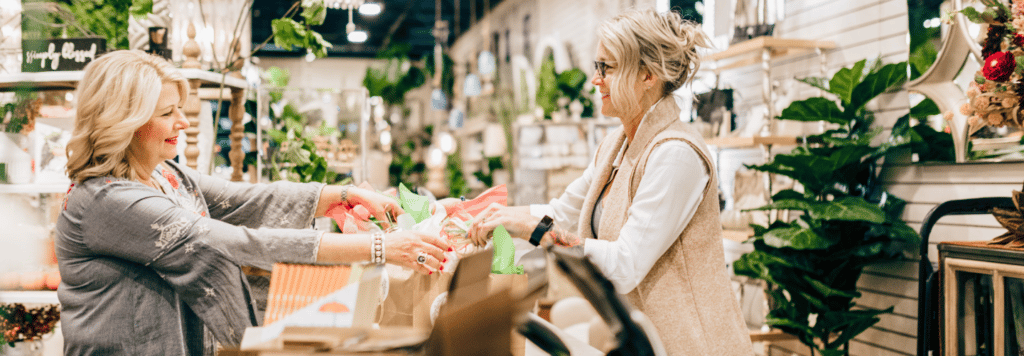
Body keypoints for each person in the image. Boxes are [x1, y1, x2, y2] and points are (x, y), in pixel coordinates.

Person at [55, 50, 449, 355]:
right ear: (125, 120)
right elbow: (233, 242)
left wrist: (339, 196)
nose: (184, 121)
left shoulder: (165, 175)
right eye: (167, 112)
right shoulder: (106, 201)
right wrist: (380, 248)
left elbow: (246, 200)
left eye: (180, 108)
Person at [465, 9, 753, 355]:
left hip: (690, 344)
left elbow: (626, 265)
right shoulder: (616, 146)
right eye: (596, 66)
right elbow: (563, 212)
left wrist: (536, 230)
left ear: (647, 74)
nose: (595, 80)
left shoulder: (676, 154)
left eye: (607, 68)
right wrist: (494, 218)